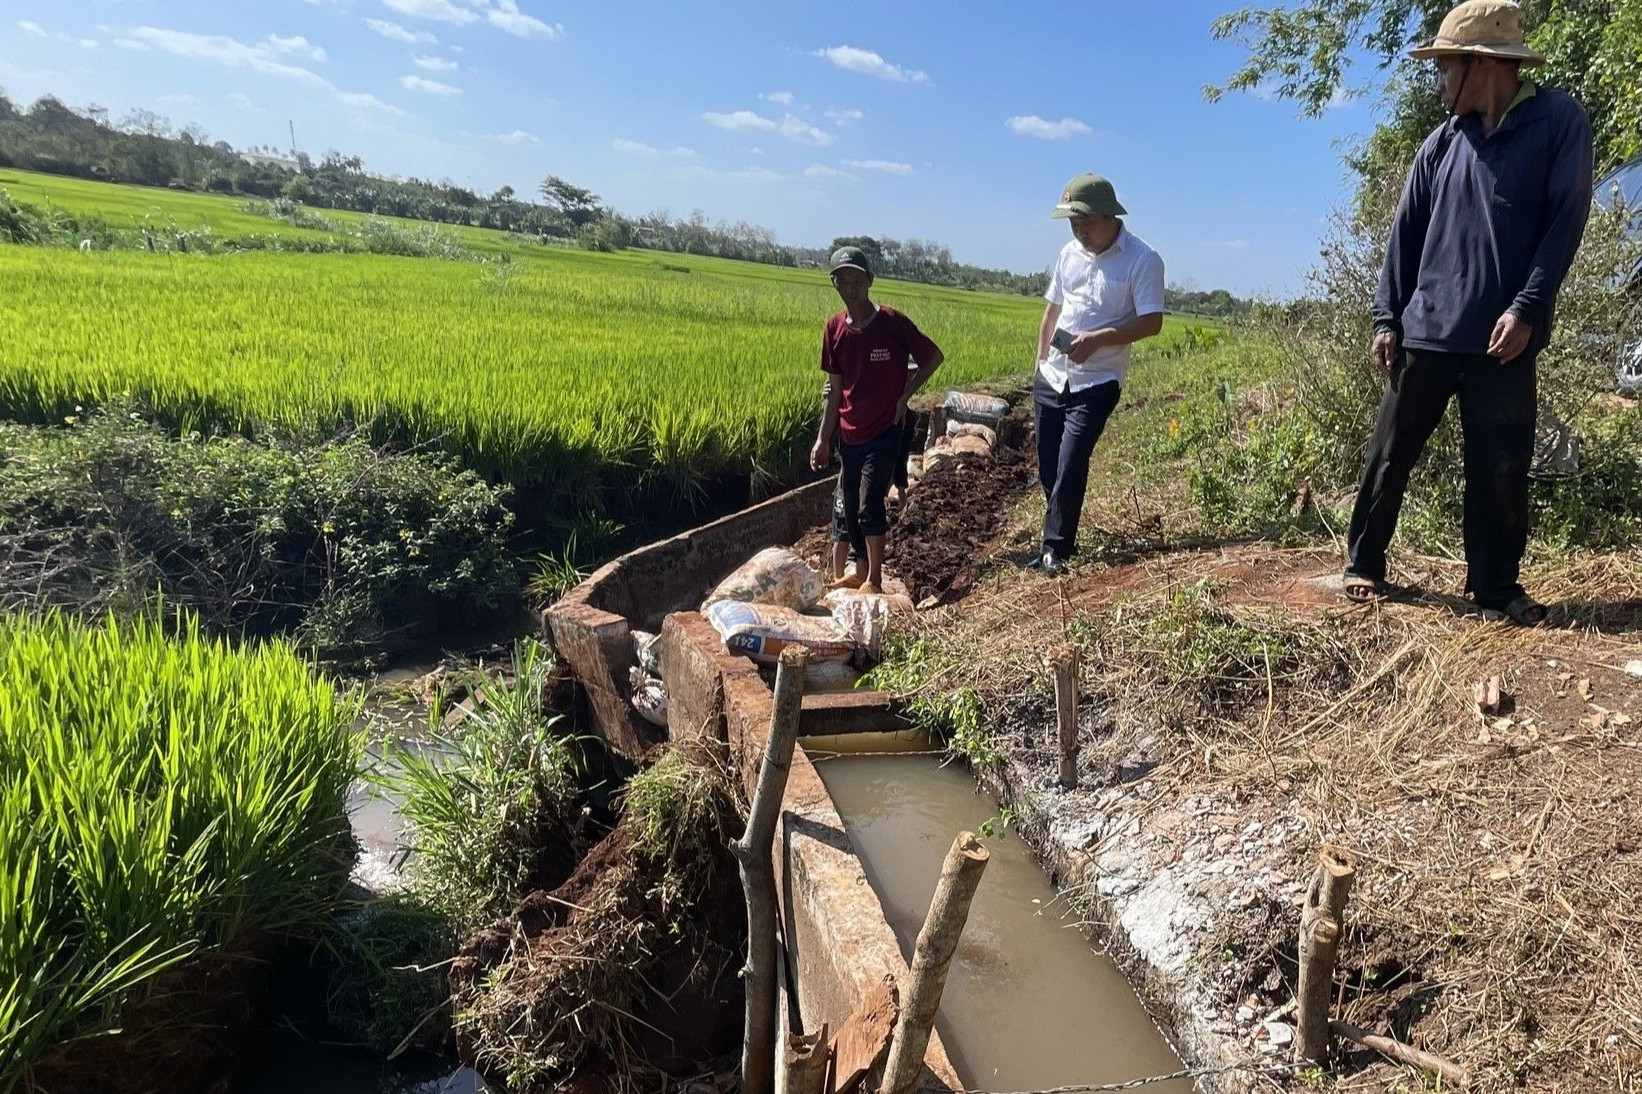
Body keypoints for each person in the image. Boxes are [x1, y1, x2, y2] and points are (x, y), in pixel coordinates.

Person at [1343, 0, 1593, 626]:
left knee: (1501, 468)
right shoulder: (1442, 143)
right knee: (1389, 454)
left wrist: (1529, 307)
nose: (1438, 82)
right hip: (1426, 331)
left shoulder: (1558, 121)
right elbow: (1404, 236)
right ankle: (1364, 565)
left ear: (1480, 65)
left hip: (1504, 339)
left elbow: (1566, 222)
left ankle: (1496, 588)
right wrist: (1386, 317)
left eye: (1444, 68)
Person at [1031, 174, 1165, 575]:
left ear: (1109, 216)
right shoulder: (1068, 254)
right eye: (1074, 224)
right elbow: (1053, 309)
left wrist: (1102, 338)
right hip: (1053, 375)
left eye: (1086, 223)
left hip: (1098, 380)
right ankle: (1057, 532)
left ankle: (1055, 548)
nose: (1080, 232)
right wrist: (1039, 363)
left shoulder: (1143, 259)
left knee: (1072, 462)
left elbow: (1152, 322)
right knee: (1048, 464)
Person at [810, 245, 944, 595]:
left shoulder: (892, 323)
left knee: (871, 503)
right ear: (834, 285)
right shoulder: (834, 329)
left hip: (884, 429)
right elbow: (835, 389)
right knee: (850, 508)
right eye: (843, 281)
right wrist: (823, 438)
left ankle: (874, 579)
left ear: (869, 281)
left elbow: (933, 357)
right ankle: (861, 569)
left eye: (857, 281)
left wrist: (904, 396)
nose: (851, 289)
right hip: (848, 433)